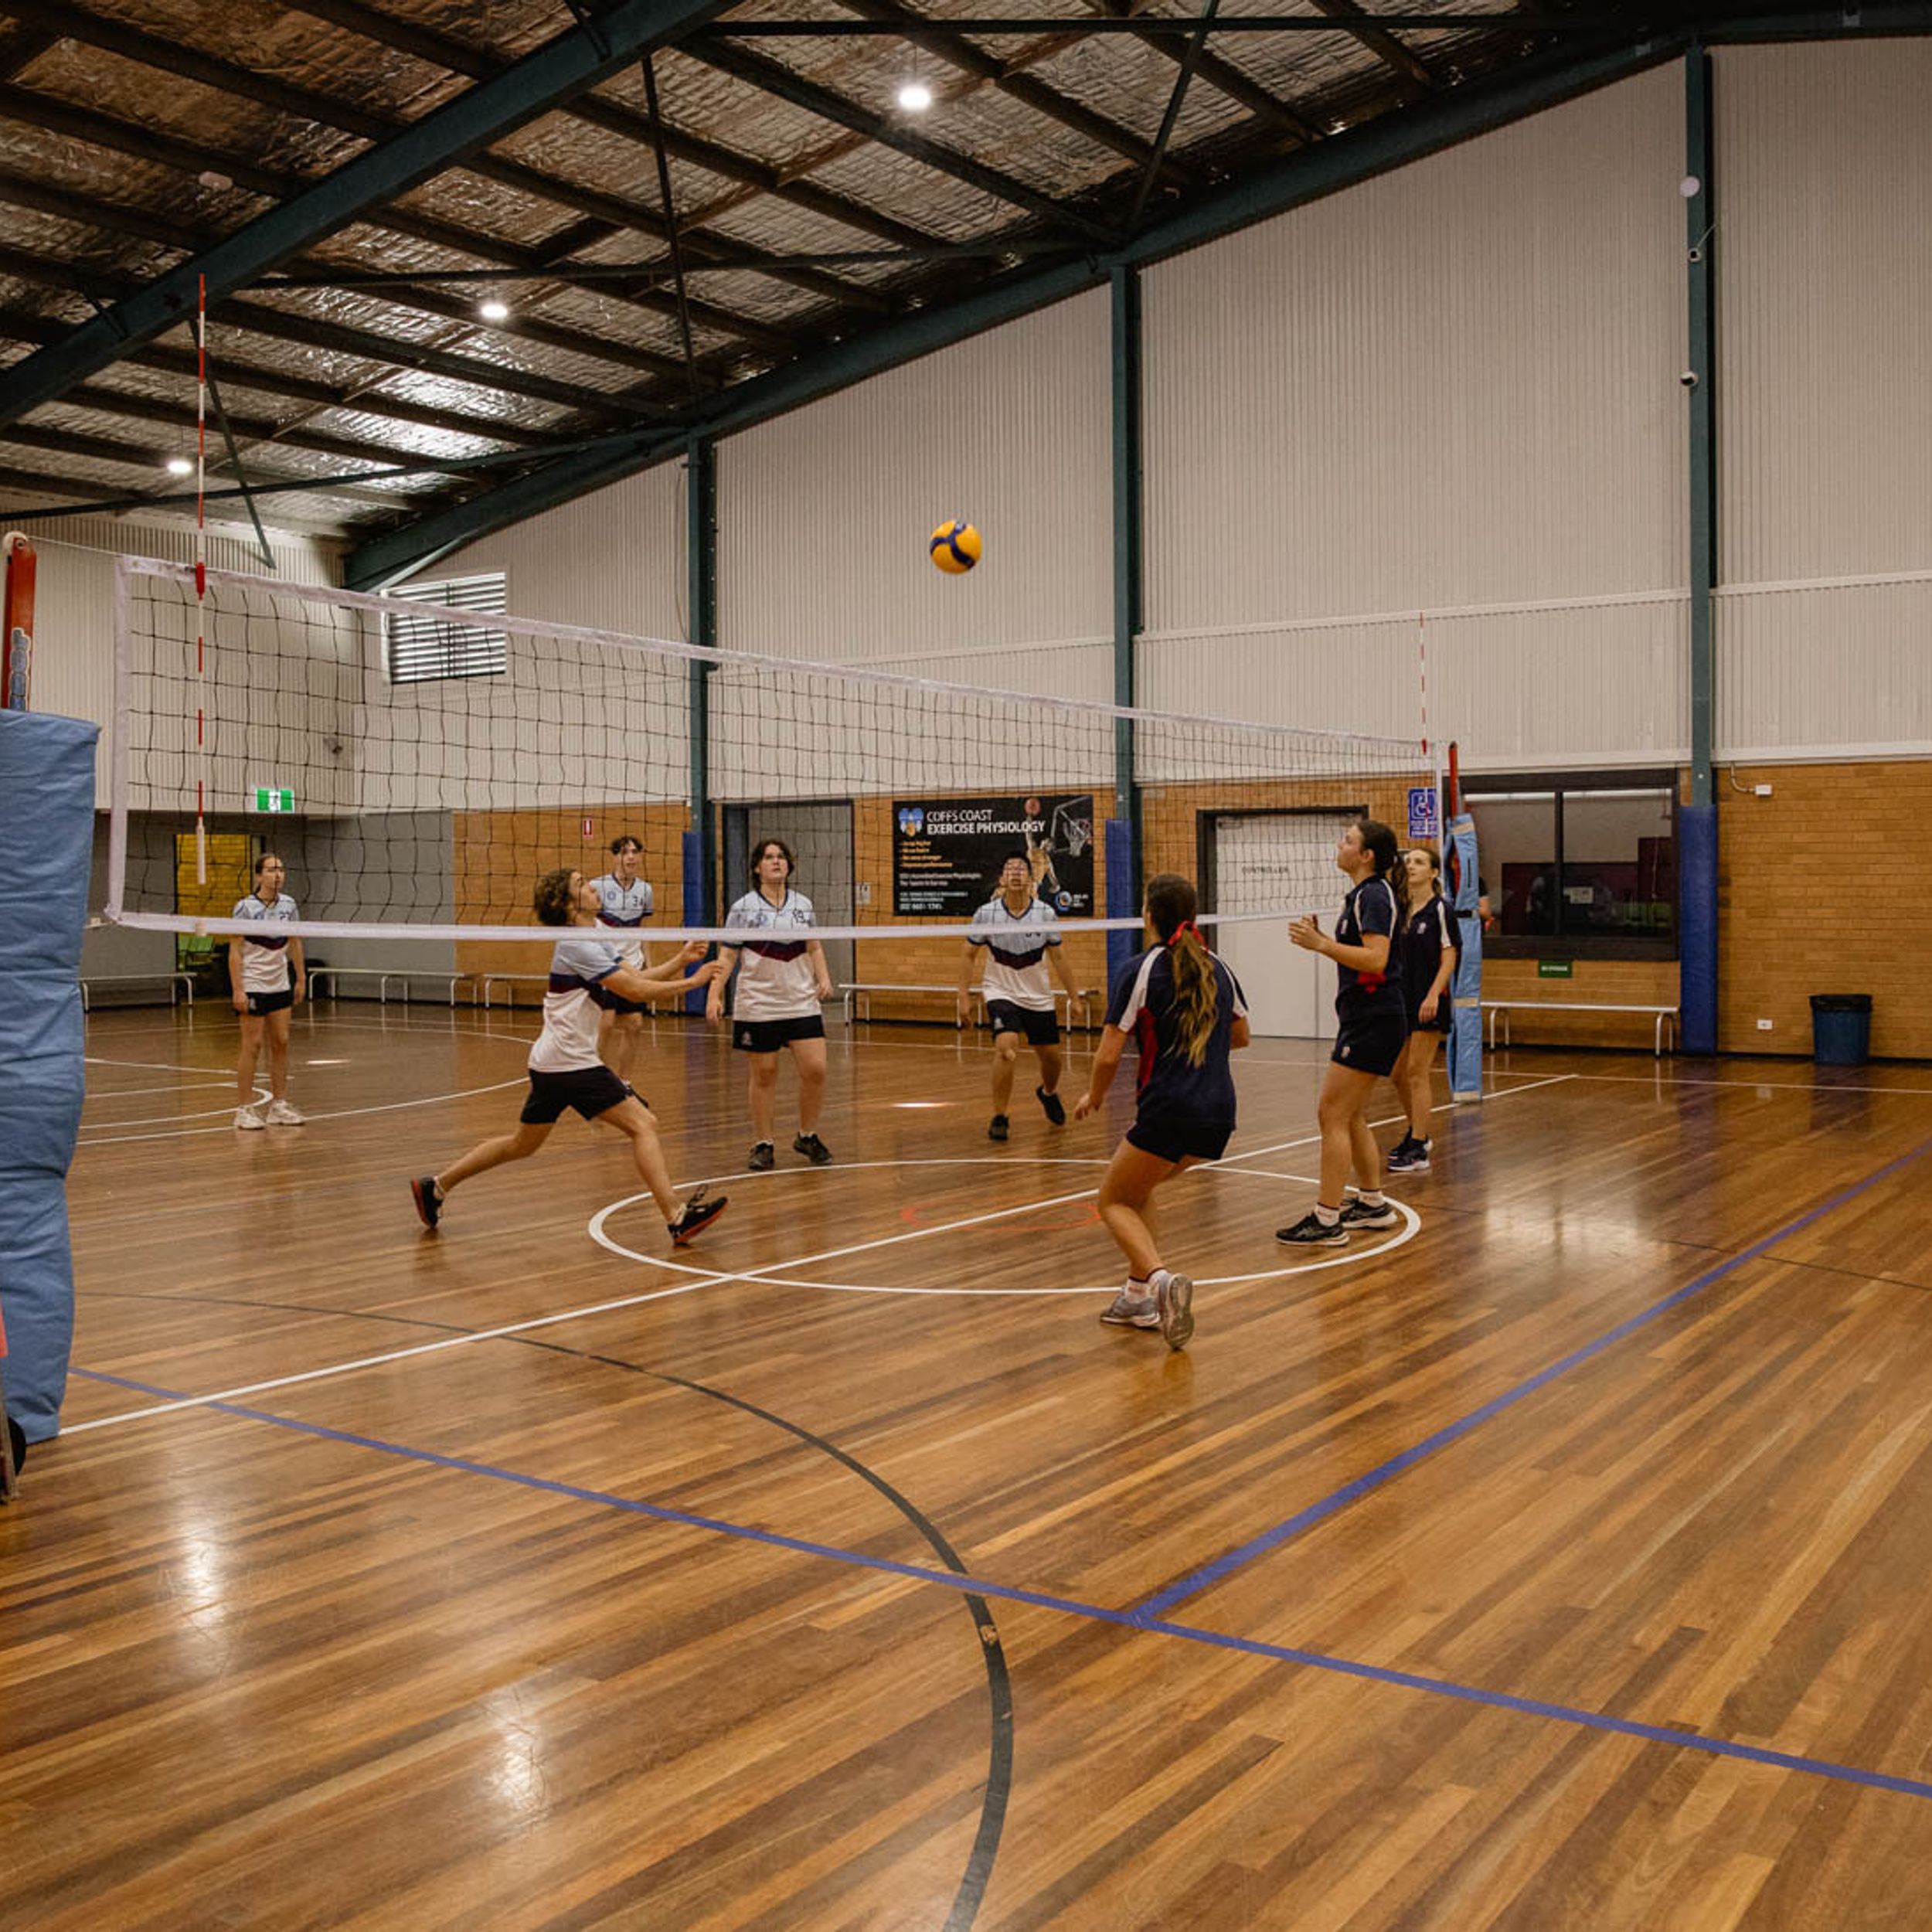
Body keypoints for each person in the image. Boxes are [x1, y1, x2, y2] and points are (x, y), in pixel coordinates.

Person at [409, 868, 727, 1243]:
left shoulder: (596, 934)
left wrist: (680, 961)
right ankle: (676, 1217)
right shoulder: (576, 945)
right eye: (580, 884)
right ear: (564, 903)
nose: (591, 886)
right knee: (644, 1125)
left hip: (552, 1061)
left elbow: (637, 976)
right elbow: (634, 992)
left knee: (522, 1144)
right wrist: (693, 983)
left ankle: (436, 1187)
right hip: (571, 1062)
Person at [1073, 872, 1250, 1352]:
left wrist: (1094, 1096)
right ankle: (1136, 1298)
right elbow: (1241, 1036)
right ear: (1192, 916)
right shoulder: (1218, 966)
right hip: (1218, 1114)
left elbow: (1108, 1055)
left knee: (1112, 1200)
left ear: (1149, 916)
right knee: (1138, 1190)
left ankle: (1159, 1281)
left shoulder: (1142, 969)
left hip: (1170, 1108)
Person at [1277, 818, 1407, 1247]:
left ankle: (1327, 1219)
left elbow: (1376, 960)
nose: (1340, 844)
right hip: (1367, 1016)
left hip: (1373, 1017)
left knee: (1331, 1114)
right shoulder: (1364, 894)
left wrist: (1322, 945)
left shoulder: (1374, 895)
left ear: (1366, 855)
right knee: (1350, 1115)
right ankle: (1372, 1204)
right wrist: (1324, 939)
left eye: (1348, 840)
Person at [708, 838, 836, 1171]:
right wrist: (714, 993)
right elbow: (728, 955)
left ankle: (807, 1135)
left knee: (816, 1069)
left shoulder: (803, 904)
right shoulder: (744, 908)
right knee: (764, 1074)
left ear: (789, 865)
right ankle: (763, 1143)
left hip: (801, 1001)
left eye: (781, 857)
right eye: (768, 857)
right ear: (757, 867)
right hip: (759, 1003)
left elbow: (814, 946)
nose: (776, 861)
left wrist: (824, 978)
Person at [957, 852, 1082, 1141]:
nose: (1015, 872)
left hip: (1038, 995)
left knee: (1052, 1059)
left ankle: (1048, 1093)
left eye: (1021, 869)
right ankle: (1000, 1116)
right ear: (1002, 878)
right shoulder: (986, 914)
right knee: (1006, 1048)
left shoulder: (1045, 914)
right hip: (1000, 991)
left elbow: (1059, 958)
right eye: (1009, 868)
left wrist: (1074, 997)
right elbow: (968, 955)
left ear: (1031, 878)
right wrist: (963, 997)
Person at [1386, 845, 1458, 1175]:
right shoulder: (1398, 908)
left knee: (1417, 1072)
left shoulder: (1440, 909)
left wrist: (1433, 995)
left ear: (1433, 872)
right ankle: (1419, 1133)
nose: (1411, 866)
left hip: (1428, 1001)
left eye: (1418, 862)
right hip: (1400, 999)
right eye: (1408, 862)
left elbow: (1450, 956)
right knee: (1397, 1074)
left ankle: (1418, 1149)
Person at [230, 850, 306, 1130]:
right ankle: (244, 1110)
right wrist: (238, 989)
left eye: (281, 870)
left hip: (280, 983)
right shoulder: (245, 907)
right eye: (272, 870)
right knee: (252, 1045)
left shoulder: (289, 904)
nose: (278, 875)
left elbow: (295, 942)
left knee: (281, 1042)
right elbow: (235, 950)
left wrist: (300, 978)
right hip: (253, 983)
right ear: (259, 876)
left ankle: (279, 1106)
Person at [591, 833, 655, 1087]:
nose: (631, 857)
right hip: (605, 965)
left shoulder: (645, 890)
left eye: (635, 852)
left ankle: (624, 1082)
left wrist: (650, 964)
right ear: (615, 857)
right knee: (606, 1022)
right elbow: (587, 924)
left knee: (635, 1024)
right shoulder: (598, 886)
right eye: (625, 852)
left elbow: (644, 929)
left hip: (633, 965)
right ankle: (596, 1078)